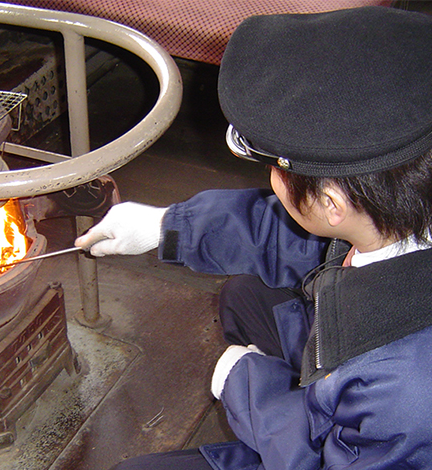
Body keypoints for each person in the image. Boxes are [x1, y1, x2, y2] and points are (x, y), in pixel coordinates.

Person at [75, 6, 432, 470]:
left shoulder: (404, 392)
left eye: (278, 169)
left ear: (332, 205)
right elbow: (287, 236)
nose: (271, 179)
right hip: (349, 394)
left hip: (347, 448)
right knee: (245, 296)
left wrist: (249, 391)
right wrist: (165, 226)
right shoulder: (394, 210)